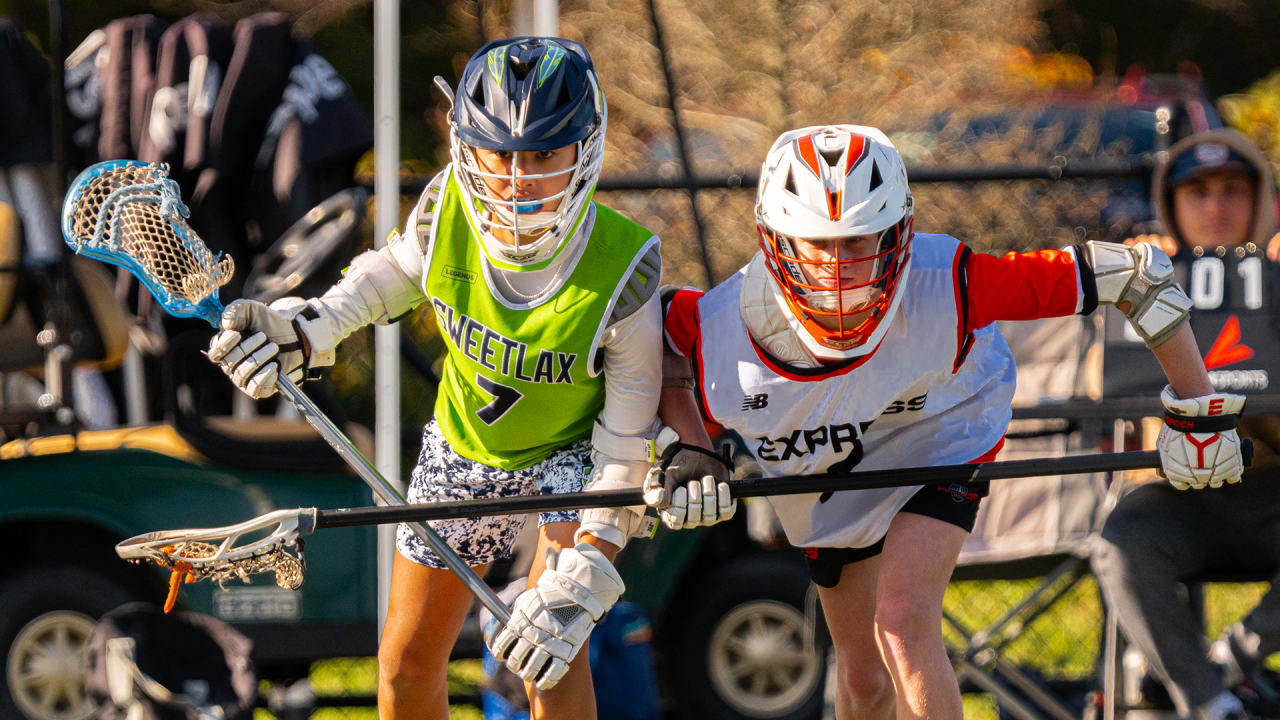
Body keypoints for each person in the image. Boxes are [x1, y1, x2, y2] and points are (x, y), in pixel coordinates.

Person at [643, 124, 1245, 720]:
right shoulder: (720, 324)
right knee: (861, 678)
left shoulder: (950, 285)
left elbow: (1134, 275)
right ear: (773, 241)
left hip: (940, 431)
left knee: (903, 622)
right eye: (816, 245)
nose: (838, 269)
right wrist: (691, 448)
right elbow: (657, 348)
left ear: (900, 234)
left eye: (859, 242)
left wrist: (1198, 413)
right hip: (823, 467)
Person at [207, 38, 669, 720]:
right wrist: (307, 329)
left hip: (577, 456)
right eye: (500, 155)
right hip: (465, 450)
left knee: (549, 650)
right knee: (404, 663)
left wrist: (588, 571)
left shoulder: (626, 269)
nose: (517, 182)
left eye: (543, 154)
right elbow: (392, 275)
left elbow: (625, 447)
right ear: (466, 146)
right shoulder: (447, 201)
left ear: (586, 146)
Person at [1093, 127, 1280, 720]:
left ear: (1262, 200)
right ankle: (1209, 701)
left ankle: (1223, 666)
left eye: (1233, 190)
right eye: (1198, 193)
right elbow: (1107, 392)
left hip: (1274, 493)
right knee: (1120, 539)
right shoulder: (1142, 274)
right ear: (1172, 205)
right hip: (1181, 496)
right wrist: (1135, 284)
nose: (1217, 207)